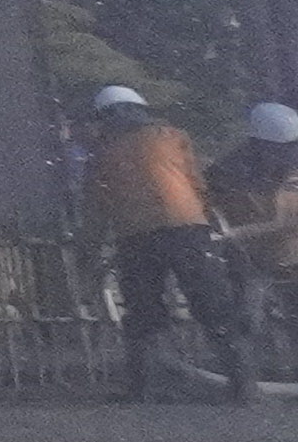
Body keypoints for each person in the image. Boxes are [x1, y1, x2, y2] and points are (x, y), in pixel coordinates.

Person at [83, 82, 252, 405]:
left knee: (143, 313)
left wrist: (90, 250)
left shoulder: (102, 153)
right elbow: (196, 182)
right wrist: (210, 220)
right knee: (212, 305)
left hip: (136, 237)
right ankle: (242, 385)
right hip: (187, 229)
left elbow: (96, 206)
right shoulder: (172, 137)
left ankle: (144, 387)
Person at [211, 101, 298, 370]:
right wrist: (221, 225)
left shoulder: (293, 171)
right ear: (258, 145)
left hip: (290, 256)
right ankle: (247, 373)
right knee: (249, 318)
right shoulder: (227, 171)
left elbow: (287, 222)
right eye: (278, 149)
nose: (286, 154)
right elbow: (208, 201)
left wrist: (234, 233)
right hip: (250, 261)